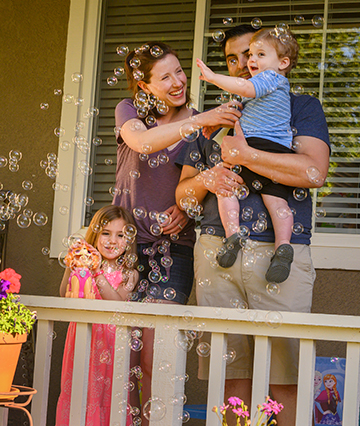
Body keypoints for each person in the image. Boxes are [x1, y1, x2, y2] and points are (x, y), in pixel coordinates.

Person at [176, 24, 330, 426]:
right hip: (216, 250)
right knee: (230, 376)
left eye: (250, 54)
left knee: (286, 376)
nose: (243, 64)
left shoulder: (300, 107)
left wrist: (245, 155)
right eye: (232, 59)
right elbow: (183, 196)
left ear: (272, 57)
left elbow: (314, 171)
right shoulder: (218, 115)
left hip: (278, 250)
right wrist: (206, 181)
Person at [112, 41, 241, 423]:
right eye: (164, 76)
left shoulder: (203, 124)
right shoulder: (131, 111)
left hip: (173, 252)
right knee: (122, 358)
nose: (178, 81)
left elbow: (203, 183)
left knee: (157, 357)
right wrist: (201, 121)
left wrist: (188, 210)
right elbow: (142, 142)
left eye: (180, 71)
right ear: (144, 85)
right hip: (125, 249)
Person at [196, 28, 300, 283]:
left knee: (226, 191)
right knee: (277, 204)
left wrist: (212, 77)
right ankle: (283, 245)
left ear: (283, 64)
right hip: (274, 152)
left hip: (255, 148)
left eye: (259, 54)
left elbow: (244, 86)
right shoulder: (268, 91)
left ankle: (233, 234)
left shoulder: (270, 79)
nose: (250, 61)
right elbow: (244, 107)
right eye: (251, 54)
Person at [56, 205, 139, 426]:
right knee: (79, 392)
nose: (112, 241)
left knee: (107, 395)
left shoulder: (129, 274)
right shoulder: (82, 266)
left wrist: (97, 273)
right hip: (82, 341)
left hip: (111, 344)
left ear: (129, 240)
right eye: (106, 233)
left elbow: (118, 303)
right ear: (95, 234)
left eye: (120, 235)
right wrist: (71, 266)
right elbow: (65, 292)